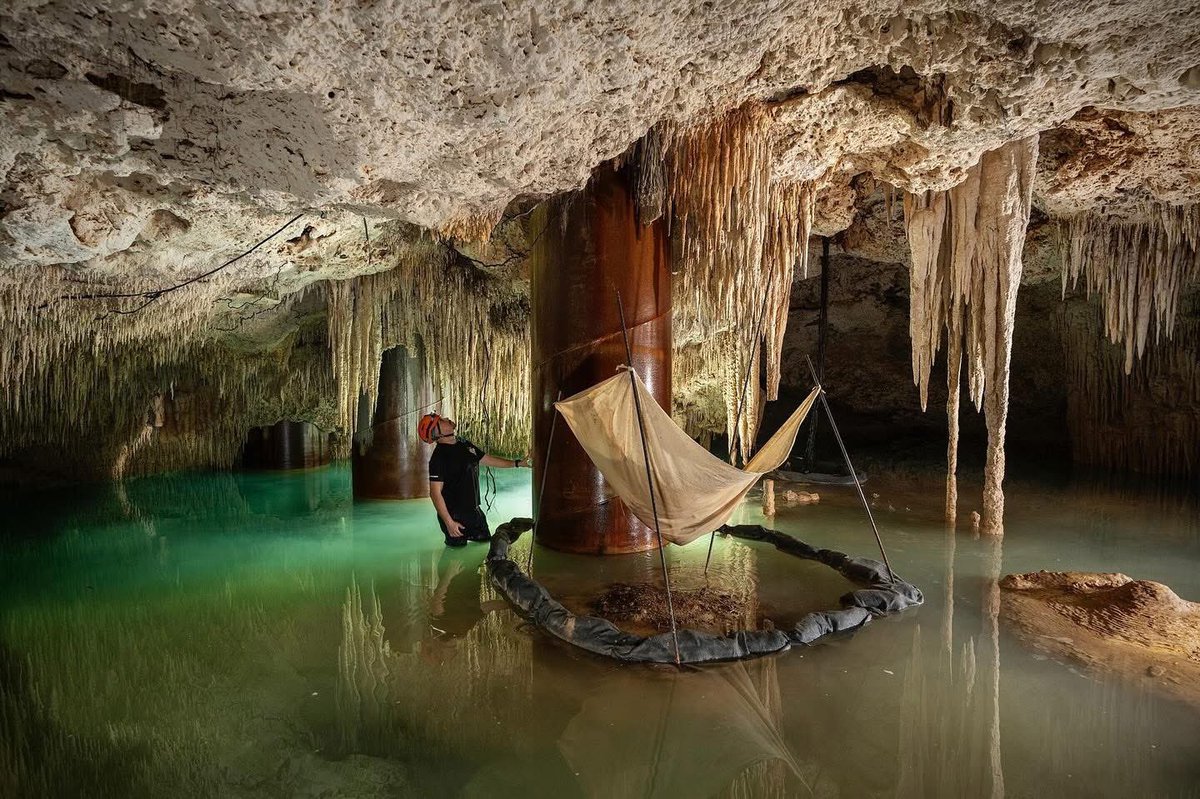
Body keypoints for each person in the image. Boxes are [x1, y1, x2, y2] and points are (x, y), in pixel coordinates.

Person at [418, 412, 526, 547]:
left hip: (474, 512)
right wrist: (449, 523)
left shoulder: (464, 444)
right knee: (456, 553)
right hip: (454, 516)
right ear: (438, 433)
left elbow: (487, 459)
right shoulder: (439, 458)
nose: (446, 418)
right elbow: (435, 493)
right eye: (441, 420)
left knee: (485, 545)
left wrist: (517, 463)